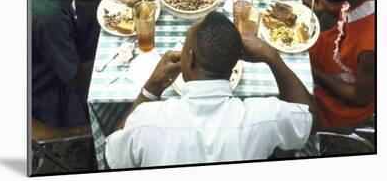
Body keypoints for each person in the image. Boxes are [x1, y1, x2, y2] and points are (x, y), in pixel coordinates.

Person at [104, 12, 317, 168]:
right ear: (234, 63)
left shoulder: (146, 121)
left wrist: (150, 90)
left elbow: (112, 158)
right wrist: (271, 57)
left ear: (190, 58)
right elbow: (310, 120)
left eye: (185, 47)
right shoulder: (266, 116)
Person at [301, 0, 375, 128]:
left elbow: (360, 97)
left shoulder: (370, 47)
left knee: (291, 99)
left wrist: (314, 75)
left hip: (343, 95)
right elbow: (350, 13)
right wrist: (329, 6)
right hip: (335, 48)